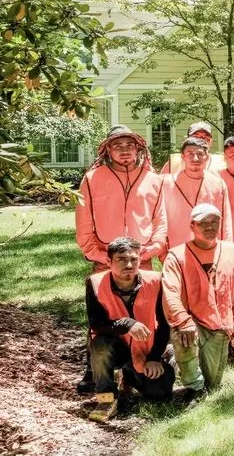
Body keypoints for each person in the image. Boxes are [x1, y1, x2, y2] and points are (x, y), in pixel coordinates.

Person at [75, 124, 168, 394]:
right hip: (105, 257)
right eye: (118, 146)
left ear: (138, 148)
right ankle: (94, 370)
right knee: (102, 315)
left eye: (129, 145)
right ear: (108, 150)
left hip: (142, 257)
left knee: (147, 315)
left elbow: (161, 220)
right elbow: (84, 221)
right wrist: (97, 254)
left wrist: (150, 250)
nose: (124, 151)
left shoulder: (153, 179)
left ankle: (137, 366)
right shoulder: (92, 178)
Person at [161, 203, 234, 403]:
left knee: (212, 384)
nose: (210, 227)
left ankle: (175, 360)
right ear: (192, 226)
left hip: (220, 324)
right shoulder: (176, 255)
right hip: (190, 321)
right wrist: (183, 321)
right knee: (184, 341)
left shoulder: (231, 251)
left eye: (214, 222)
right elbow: (171, 293)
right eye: (203, 223)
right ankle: (193, 386)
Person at [85, 237, 175, 422]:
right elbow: (96, 324)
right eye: (122, 259)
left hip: (146, 349)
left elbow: (165, 323)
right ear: (109, 262)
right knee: (100, 345)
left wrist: (154, 358)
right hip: (114, 345)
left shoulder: (155, 281)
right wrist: (127, 324)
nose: (129, 264)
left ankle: (132, 375)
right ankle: (106, 398)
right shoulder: (94, 283)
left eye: (134, 259)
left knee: (160, 394)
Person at [162, 137, 233, 256]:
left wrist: (227, 246)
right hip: (176, 248)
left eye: (200, 154)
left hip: (210, 248)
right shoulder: (167, 183)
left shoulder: (218, 183)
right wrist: (162, 247)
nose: (195, 158)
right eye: (190, 154)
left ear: (207, 157)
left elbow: (226, 219)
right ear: (182, 157)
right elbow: (161, 218)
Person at [160, 122, 226, 175]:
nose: (201, 140)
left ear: (211, 141)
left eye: (205, 137)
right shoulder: (173, 163)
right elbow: (160, 187)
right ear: (187, 139)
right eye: (196, 136)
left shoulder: (221, 162)